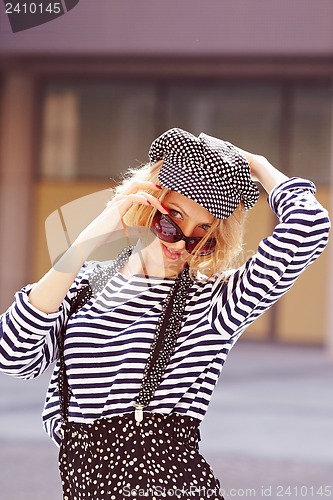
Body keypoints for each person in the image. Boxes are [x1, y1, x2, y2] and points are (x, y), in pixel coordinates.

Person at [0, 128, 330, 500]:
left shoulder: (214, 302)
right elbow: (12, 356)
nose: (182, 240)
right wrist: (84, 245)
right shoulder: (83, 287)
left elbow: (308, 228)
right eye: (173, 218)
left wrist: (259, 166)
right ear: (144, 203)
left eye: (202, 231)